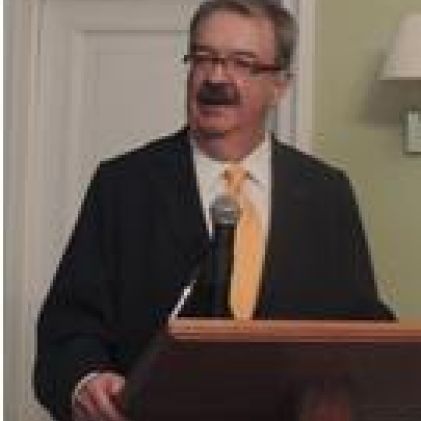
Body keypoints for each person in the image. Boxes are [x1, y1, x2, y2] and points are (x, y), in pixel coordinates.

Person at [33, 1, 394, 420]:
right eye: (204, 58)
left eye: (242, 63)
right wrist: (86, 380)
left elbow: (362, 326)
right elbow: (67, 331)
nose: (216, 77)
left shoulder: (326, 193)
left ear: (279, 85)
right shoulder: (123, 185)